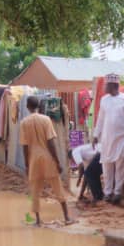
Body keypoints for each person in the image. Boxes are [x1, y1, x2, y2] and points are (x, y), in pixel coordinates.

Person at [21, 95, 71, 226]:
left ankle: (38, 221)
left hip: (34, 160)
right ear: (39, 106)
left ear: (27, 107)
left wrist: (27, 164)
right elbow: (51, 143)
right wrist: (57, 162)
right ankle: (67, 217)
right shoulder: (46, 119)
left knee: (35, 191)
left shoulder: (24, 123)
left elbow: (25, 147)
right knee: (57, 187)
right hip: (48, 158)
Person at [94, 73, 124, 204]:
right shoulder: (104, 100)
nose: (104, 87)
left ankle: (117, 193)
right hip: (107, 139)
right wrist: (96, 135)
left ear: (113, 85)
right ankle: (108, 193)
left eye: (106, 85)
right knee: (107, 166)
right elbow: (100, 119)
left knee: (120, 166)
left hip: (121, 139)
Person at [71, 139, 103, 205]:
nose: (74, 161)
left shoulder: (74, 152)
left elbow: (81, 166)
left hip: (101, 153)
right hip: (103, 153)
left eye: (72, 160)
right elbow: (86, 177)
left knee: (90, 173)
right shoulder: (86, 157)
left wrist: (79, 179)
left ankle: (97, 197)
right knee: (93, 174)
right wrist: (81, 194)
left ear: (71, 157)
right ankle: (100, 196)